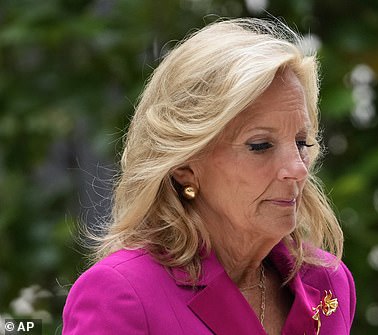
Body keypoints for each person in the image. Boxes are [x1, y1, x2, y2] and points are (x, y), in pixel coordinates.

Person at [62, 17, 356, 335]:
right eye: (260, 145)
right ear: (186, 168)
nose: (297, 168)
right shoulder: (122, 295)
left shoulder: (327, 281)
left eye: (301, 142)